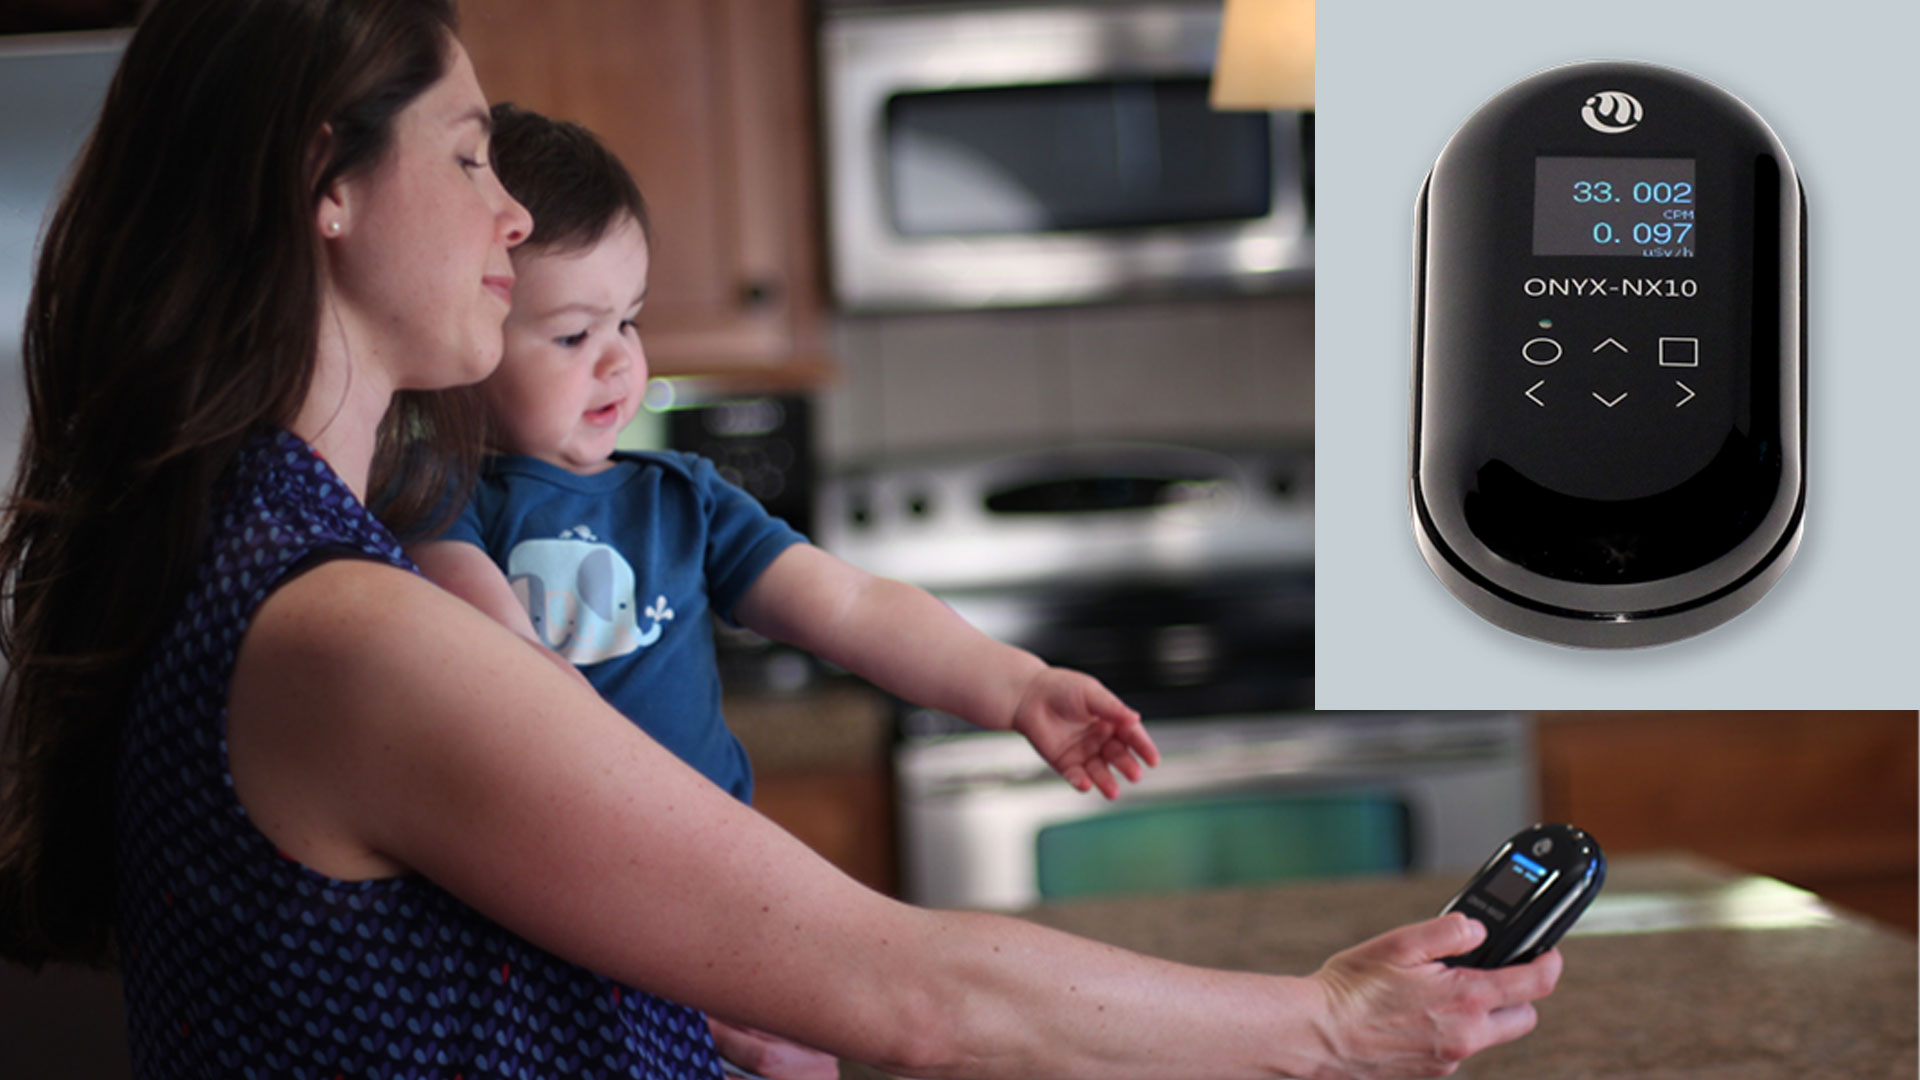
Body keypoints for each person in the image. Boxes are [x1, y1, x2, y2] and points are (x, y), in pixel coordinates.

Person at [0, 1, 1562, 1077]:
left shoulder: (281, 561)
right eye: (471, 156)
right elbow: (914, 997)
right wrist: (1327, 1027)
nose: (511, 220)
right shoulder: (355, 630)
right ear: (321, 189)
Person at [410, 103, 1157, 814]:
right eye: (574, 335)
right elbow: (509, 677)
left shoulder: (682, 501)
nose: (618, 363)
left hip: (707, 868)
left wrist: (1020, 688)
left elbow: (854, 606)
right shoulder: (435, 504)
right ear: (468, 331)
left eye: (629, 322)